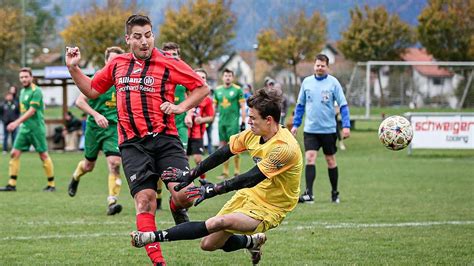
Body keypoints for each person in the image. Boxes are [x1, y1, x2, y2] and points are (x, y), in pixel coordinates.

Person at [65, 14, 209, 266]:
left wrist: (180, 107)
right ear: (128, 39)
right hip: (133, 145)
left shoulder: (168, 63)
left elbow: (201, 88)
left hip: (166, 140)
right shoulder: (117, 64)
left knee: (184, 196)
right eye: (138, 36)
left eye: (149, 35)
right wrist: (73, 68)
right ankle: (158, 262)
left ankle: (177, 206)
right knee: (144, 201)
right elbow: (91, 90)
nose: (145, 41)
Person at [130, 88, 303, 265]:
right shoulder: (252, 134)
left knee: (218, 222)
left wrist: (213, 190)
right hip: (251, 194)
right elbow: (222, 154)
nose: (248, 122)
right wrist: (191, 174)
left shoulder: (285, 148)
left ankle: (150, 237)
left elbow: (251, 177)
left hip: (273, 205)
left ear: (268, 120)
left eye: (252, 118)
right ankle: (252, 241)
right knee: (208, 244)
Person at [67, 46, 125, 216]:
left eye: (117, 61)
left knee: (114, 163)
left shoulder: (124, 81)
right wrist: (96, 114)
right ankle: (76, 176)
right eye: (112, 60)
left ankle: (112, 201)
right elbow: (79, 101)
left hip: (113, 129)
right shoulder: (99, 78)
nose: (114, 63)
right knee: (88, 166)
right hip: (94, 128)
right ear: (106, 61)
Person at [291, 54, 351, 204]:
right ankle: (309, 194)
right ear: (314, 66)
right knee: (310, 158)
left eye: (322, 65)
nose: (319, 67)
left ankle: (335, 193)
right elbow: (300, 106)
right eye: (317, 65)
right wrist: (296, 125)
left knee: (330, 160)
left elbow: (343, 106)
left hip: (329, 130)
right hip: (311, 129)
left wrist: (346, 126)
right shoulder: (307, 82)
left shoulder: (333, 83)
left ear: (327, 67)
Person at [0, 67, 56, 192]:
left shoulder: (36, 91)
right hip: (25, 129)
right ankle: (11, 184)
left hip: (36, 128)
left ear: (31, 77)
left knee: (43, 155)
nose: (24, 79)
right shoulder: (22, 92)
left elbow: (32, 111)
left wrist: (16, 122)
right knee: (14, 153)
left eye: (26, 77)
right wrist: (19, 123)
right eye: (21, 77)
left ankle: (51, 184)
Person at [155, 42, 194, 211]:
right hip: (163, 128)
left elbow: (194, 96)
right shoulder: (159, 76)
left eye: (175, 55)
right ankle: (158, 196)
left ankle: (177, 193)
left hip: (180, 126)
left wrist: (190, 114)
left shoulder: (183, 77)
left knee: (181, 160)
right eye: (168, 55)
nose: (172, 58)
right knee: (158, 164)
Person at [214, 68, 246, 179]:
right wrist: (212, 119)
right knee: (223, 147)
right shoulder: (217, 90)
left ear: (232, 77)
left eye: (229, 75)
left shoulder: (238, 90)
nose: (227, 77)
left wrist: (243, 121)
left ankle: (237, 171)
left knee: (234, 146)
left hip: (233, 123)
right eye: (225, 75)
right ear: (222, 77)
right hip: (221, 123)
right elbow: (214, 107)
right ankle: (225, 172)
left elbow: (243, 106)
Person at [187, 69, 214, 178]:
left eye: (203, 77)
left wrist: (201, 120)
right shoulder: (186, 93)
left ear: (205, 80)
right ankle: (184, 184)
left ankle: (203, 181)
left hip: (197, 133)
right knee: (184, 160)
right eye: (198, 76)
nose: (200, 79)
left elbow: (211, 117)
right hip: (184, 131)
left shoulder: (207, 100)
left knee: (198, 159)